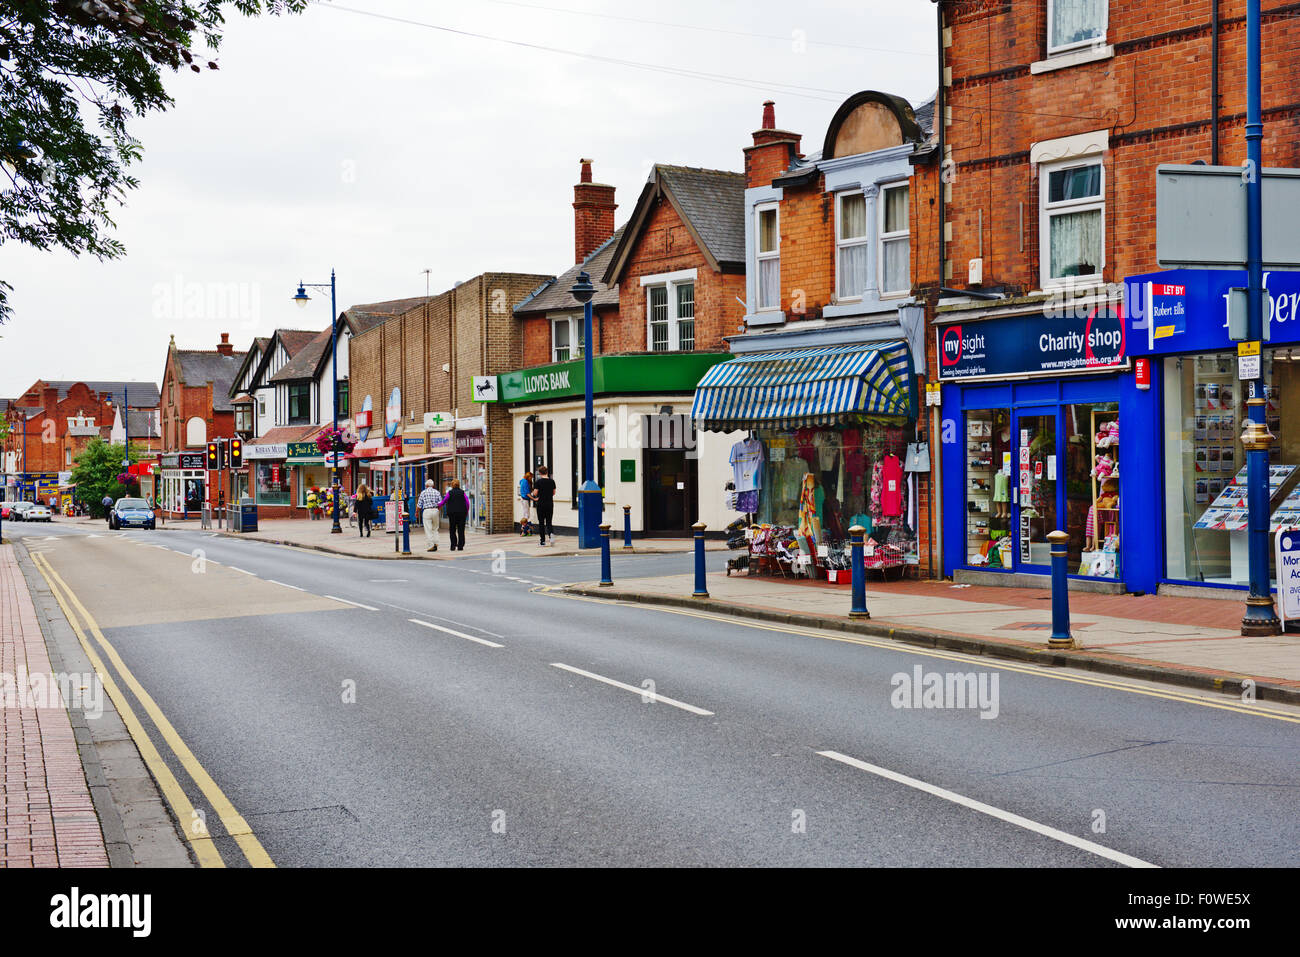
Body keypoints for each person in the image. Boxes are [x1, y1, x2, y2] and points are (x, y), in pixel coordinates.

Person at [442, 478, 469, 551]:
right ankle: (460, 546)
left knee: (452, 530)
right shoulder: (462, 493)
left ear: (452, 485)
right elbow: (467, 502)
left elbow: (444, 501)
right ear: (458, 484)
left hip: (452, 514)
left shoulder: (449, 493)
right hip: (461, 513)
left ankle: (453, 545)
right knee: (461, 530)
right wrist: (466, 511)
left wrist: (438, 505)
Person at [415, 479, 442, 552]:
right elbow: (440, 503)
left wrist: (416, 512)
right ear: (433, 485)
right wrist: (437, 509)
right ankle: (436, 543)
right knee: (435, 528)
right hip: (435, 510)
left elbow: (419, 505)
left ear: (426, 486)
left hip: (427, 511)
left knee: (428, 529)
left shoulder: (423, 493)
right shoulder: (437, 492)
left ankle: (431, 545)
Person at [532, 465, 556, 546]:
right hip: (550, 504)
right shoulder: (552, 481)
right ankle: (551, 536)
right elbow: (554, 493)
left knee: (541, 523)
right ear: (547, 472)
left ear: (539, 473)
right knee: (549, 522)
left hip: (541, 504)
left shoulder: (538, 482)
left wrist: (535, 495)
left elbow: (535, 493)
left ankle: (542, 541)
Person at [518, 471, 533, 536]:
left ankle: (523, 529)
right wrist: (534, 498)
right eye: (531, 477)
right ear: (528, 477)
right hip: (525, 499)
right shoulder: (525, 482)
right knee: (527, 515)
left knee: (525, 514)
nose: (531, 479)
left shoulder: (522, 481)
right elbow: (527, 493)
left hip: (522, 499)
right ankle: (524, 530)